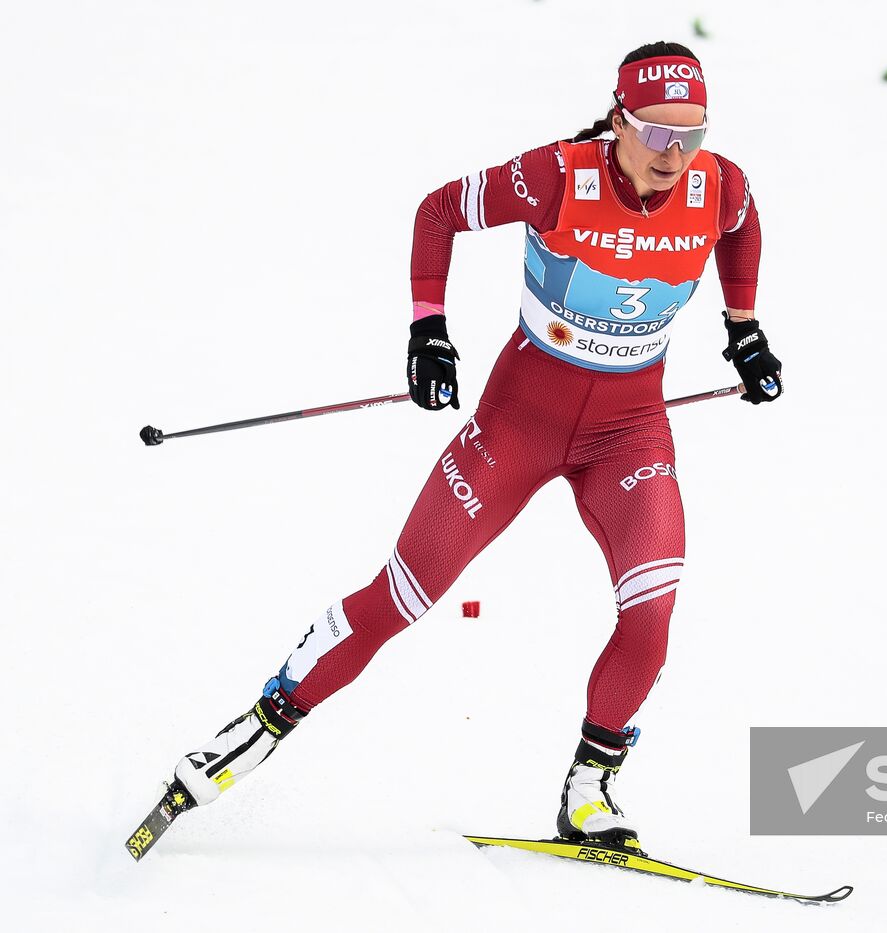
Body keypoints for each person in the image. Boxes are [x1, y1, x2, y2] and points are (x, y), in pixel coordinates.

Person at [160, 40, 782, 852]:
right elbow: (437, 210)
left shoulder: (717, 182)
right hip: (518, 421)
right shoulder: (559, 176)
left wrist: (745, 328)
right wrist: (428, 329)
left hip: (630, 432)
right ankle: (264, 717)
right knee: (403, 596)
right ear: (620, 120)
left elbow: (741, 228)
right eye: (658, 133)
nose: (675, 154)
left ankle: (591, 784)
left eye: (691, 133)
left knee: (652, 614)